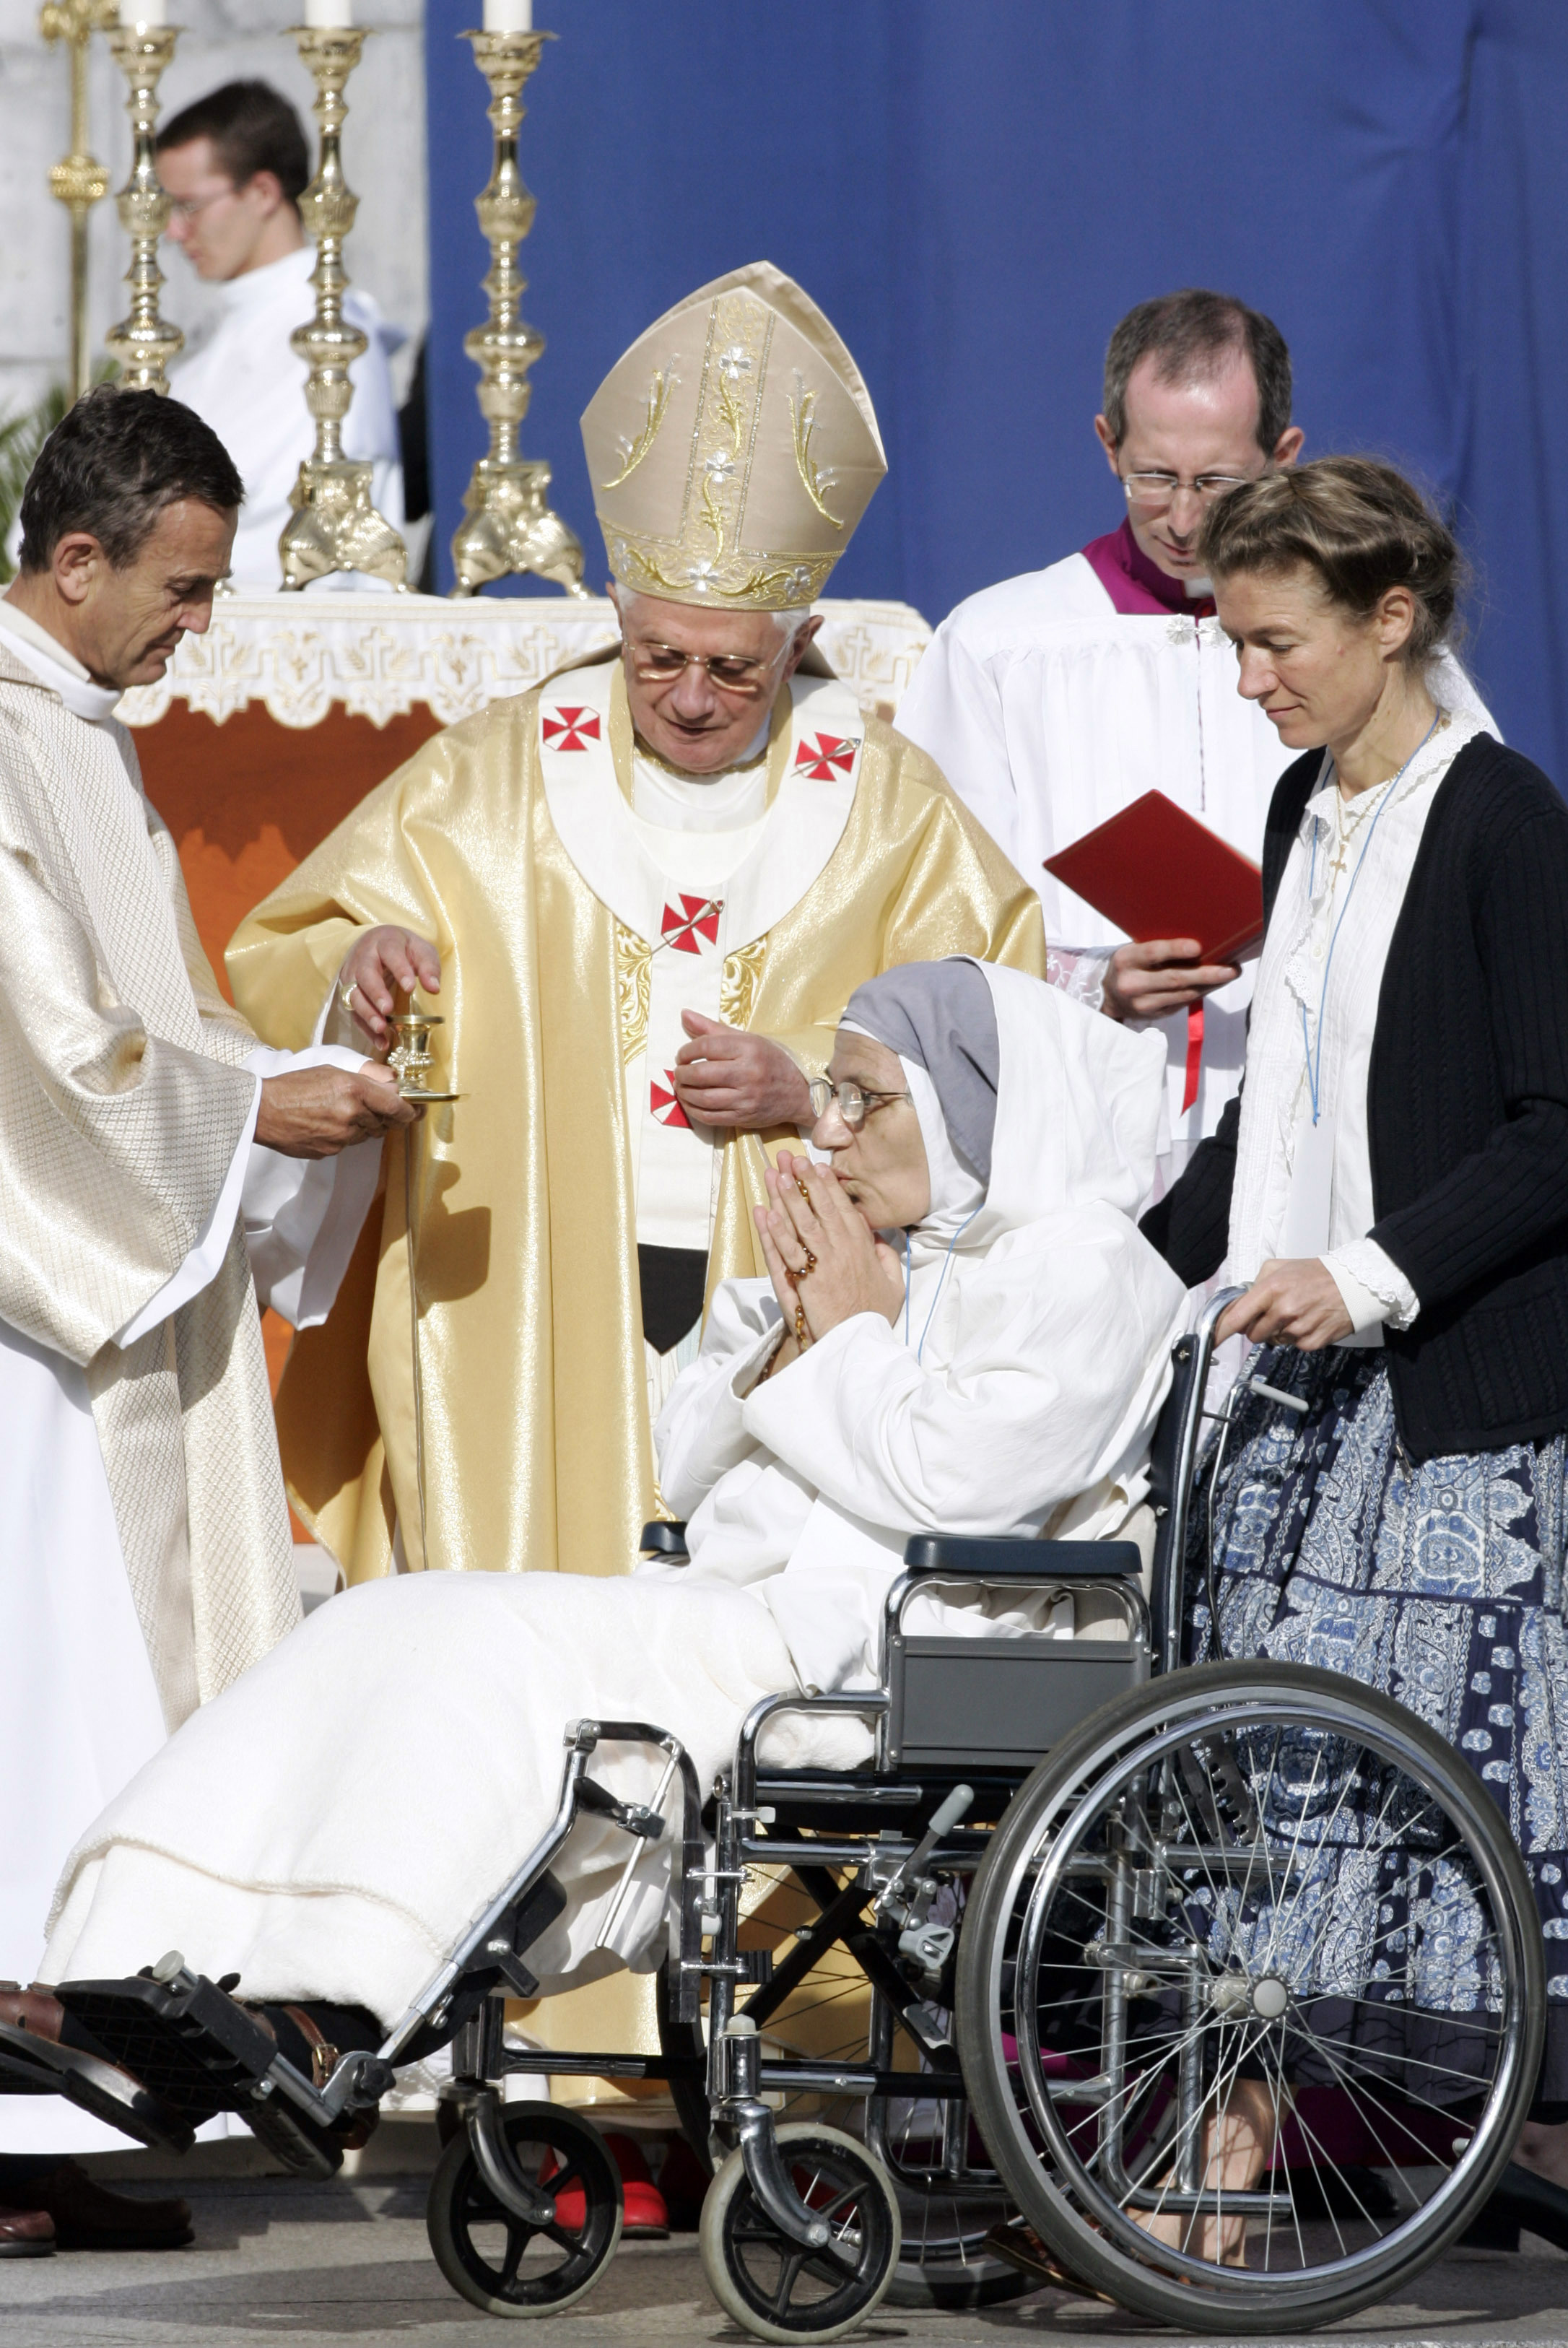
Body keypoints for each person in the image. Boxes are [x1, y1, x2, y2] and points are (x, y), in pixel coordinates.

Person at [25, 960, 1186, 2137]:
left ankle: (330, 2016)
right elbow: (685, 1457)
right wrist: (798, 1334)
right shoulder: (880, 1246)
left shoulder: (1089, 1270)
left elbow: (957, 1483)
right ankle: (150, 1972)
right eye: (827, 1091)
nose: (825, 1126)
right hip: (749, 1620)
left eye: (863, 1098)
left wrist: (846, 1335)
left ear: (970, 1110)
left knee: (478, 1649)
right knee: (391, 1618)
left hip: (890, 1658)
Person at [224, 262, 1045, 1602]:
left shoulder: (891, 804)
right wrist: (355, 967)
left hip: (781, 1285)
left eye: (734, 665)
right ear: (614, 612)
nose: (691, 696)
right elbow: (296, 942)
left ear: (803, 640)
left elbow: (1001, 1027)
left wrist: (813, 1085)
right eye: (660, 655)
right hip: (519, 1296)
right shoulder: (493, 772)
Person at [0, 387, 415, 2235]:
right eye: (179, 585)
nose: (201, 626)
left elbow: (153, 1028)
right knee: (35, 1692)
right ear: (73, 561)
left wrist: (302, 1070)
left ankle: (60, 2107)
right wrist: (259, 1106)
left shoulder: (80, 729)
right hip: (33, 1320)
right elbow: (47, 1063)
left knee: (98, 1705)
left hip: (110, 1294)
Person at [1141, 456, 1568, 2222]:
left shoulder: (1504, 823)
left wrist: (1372, 1270)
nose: (1251, 680)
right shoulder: (1298, 811)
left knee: (1424, 1800)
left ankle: (1348, 2153)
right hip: (1301, 1383)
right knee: (1264, 1785)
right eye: (1235, 646)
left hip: (1450, 1393)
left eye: (1278, 643)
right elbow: (1282, 1112)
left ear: (1393, 619)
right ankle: (1230, 2157)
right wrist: (1104, 1262)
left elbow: (1554, 1121)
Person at [897, 289, 1492, 1178]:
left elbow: (1464, 855)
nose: (1182, 519)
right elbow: (931, 914)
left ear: (1283, 454)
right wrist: (1095, 985)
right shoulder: (1000, 646)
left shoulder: (1368, 637)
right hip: (1082, 1128)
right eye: (1153, 477)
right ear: (1107, 443)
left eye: (1218, 482)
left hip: (1326, 1122)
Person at [156, 80, 405, 590]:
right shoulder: (219, 333)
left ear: (263, 192)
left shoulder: (330, 338)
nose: (173, 233)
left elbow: (291, 534)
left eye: (189, 206)